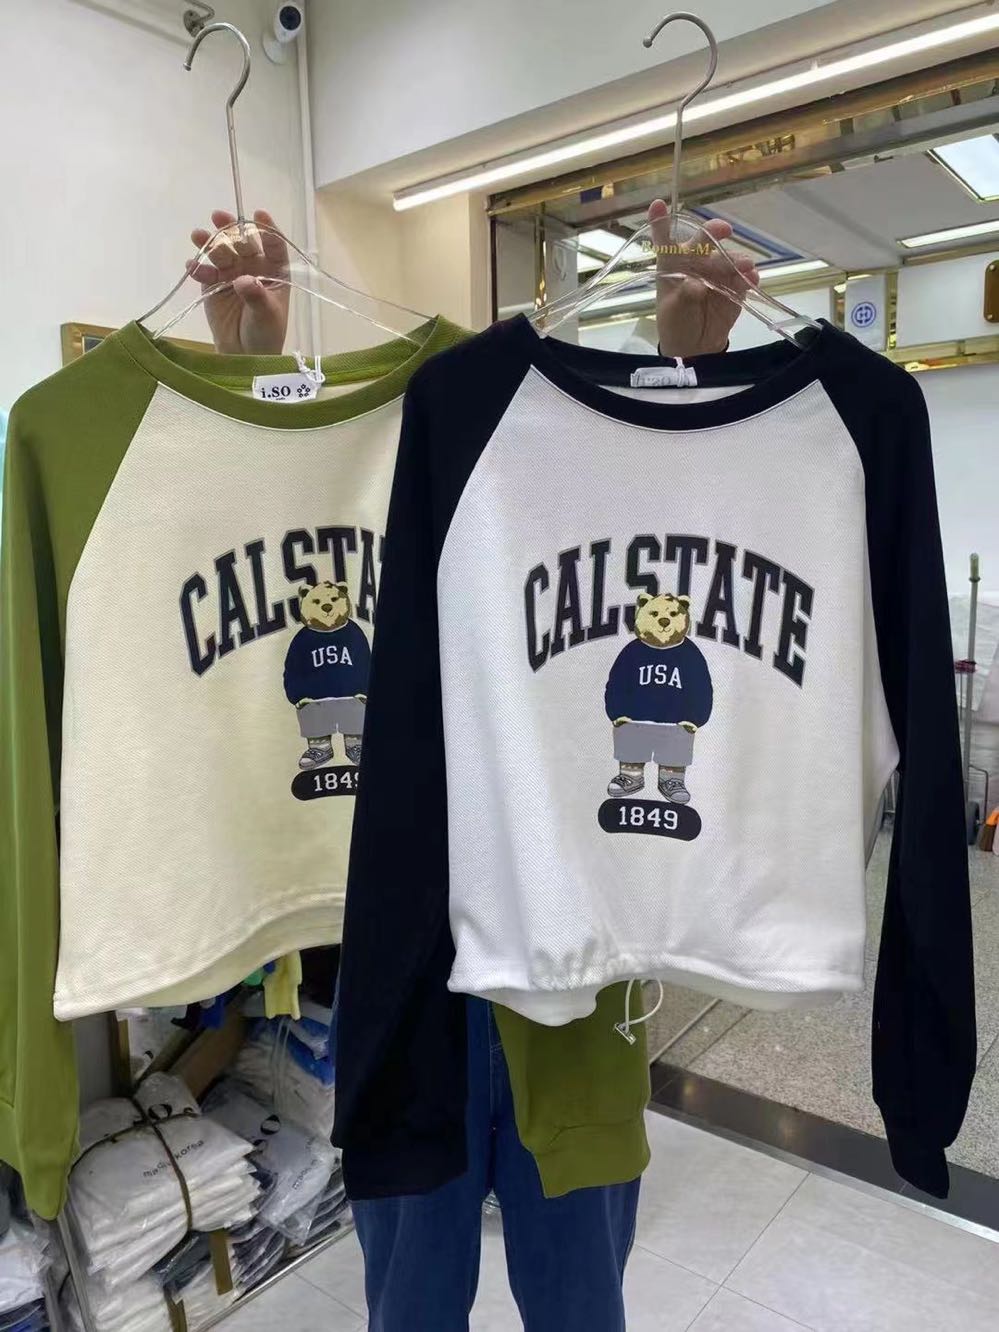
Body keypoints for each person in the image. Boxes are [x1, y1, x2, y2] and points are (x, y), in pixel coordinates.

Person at [188, 198, 758, 1330]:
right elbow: (250, 549)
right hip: (404, 968)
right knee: (411, 1305)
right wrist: (256, 376)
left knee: (579, 1301)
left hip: (578, 957)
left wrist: (685, 370)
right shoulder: (360, 459)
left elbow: (663, 542)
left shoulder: (525, 426)